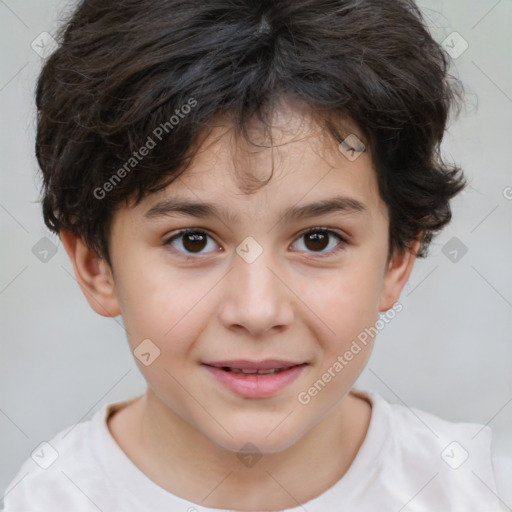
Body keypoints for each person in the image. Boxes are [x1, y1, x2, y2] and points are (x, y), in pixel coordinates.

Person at [2, 0, 505, 510]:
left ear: (397, 258)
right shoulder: (45, 500)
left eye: (318, 239)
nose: (258, 311)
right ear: (96, 266)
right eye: (193, 240)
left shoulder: (477, 491)